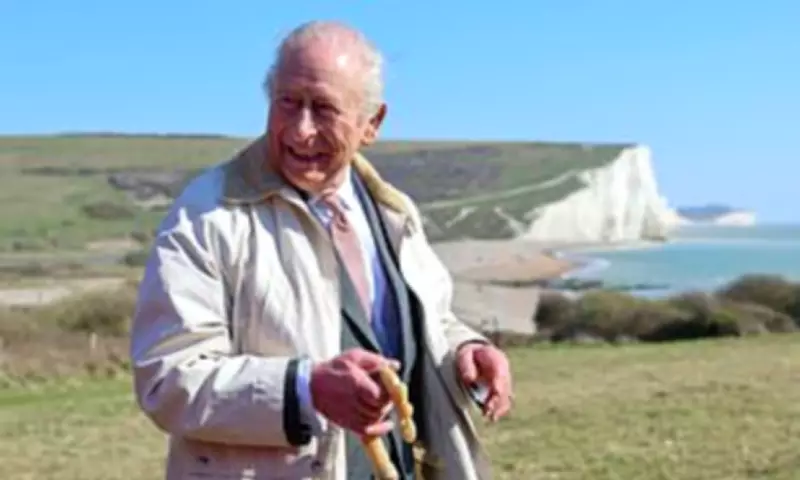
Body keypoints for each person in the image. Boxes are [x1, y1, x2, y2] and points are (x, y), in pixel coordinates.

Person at [129, 20, 513, 480]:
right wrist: (305, 390)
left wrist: (465, 350)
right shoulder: (207, 214)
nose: (300, 130)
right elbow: (168, 378)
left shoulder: (394, 212)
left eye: (324, 108)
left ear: (372, 124)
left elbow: (424, 321)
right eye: (287, 103)